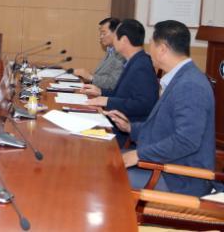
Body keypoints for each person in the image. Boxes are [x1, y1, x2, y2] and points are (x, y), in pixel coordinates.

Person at [106, 20, 216, 197]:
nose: (148, 51)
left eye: (152, 45)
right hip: (165, 166)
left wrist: (139, 155)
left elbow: (186, 141)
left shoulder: (190, 85)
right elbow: (164, 128)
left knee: (106, 175)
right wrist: (131, 128)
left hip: (179, 178)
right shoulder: (181, 78)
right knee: (104, 159)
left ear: (162, 49)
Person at [82, 19, 158, 145]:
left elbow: (144, 105)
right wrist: (101, 92)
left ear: (124, 40)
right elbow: (123, 95)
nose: (113, 40)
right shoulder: (134, 61)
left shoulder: (141, 65)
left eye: (115, 37)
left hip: (124, 131)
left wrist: (107, 101)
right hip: (115, 122)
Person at [73, 17, 125, 91]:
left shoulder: (121, 55)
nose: (101, 37)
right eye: (100, 34)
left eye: (104, 33)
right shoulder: (110, 51)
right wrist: (86, 77)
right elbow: (102, 76)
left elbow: (114, 83)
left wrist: (90, 77)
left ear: (116, 33)